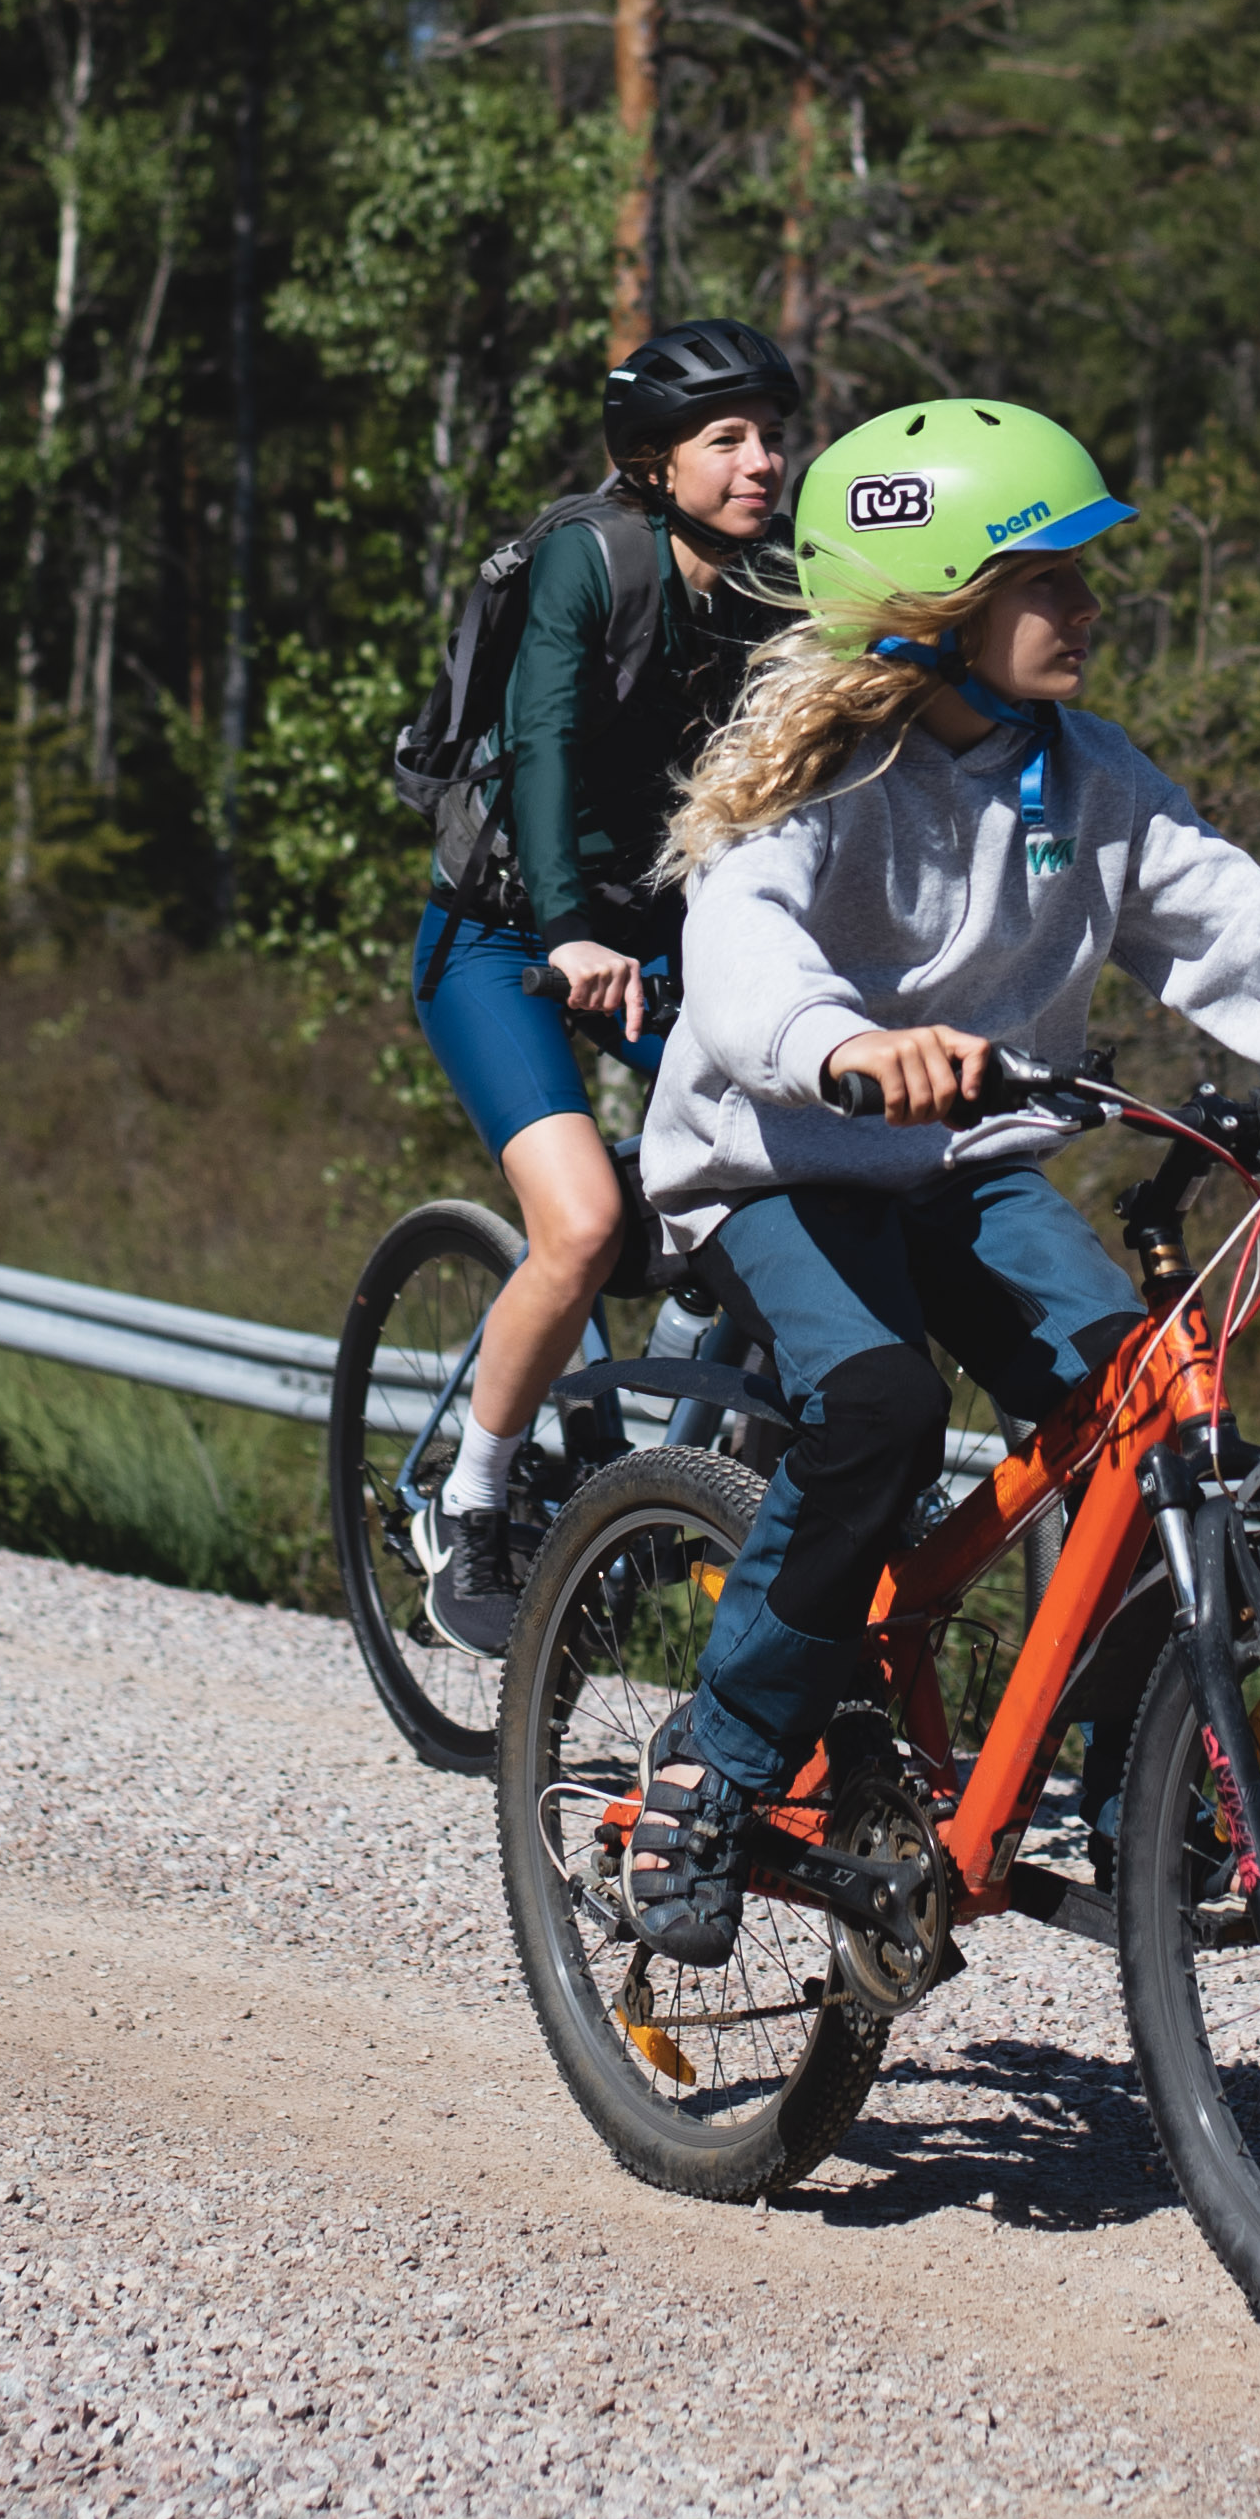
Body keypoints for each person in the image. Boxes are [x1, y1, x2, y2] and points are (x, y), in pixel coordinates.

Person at [621, 392, 1260, 1962]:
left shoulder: (1086, 773)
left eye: (1082, 572)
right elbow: (739, 955)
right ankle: (716, 1766)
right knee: (871, 1409)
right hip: (776, 1161)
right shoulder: (825, 769)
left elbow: (1238, 921)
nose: (1086, 604)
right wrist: (840, 1047)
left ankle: (1143, 1773)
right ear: (934, 603)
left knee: (1141, 1415)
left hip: (969, 1166)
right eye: (1045, 577)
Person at [411, 315, 799, 1651]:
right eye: (728, 438)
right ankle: (467, 1504)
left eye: (770, 434)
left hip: (653, 944)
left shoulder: (762, 588)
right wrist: (571, 932)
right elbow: (546, 746)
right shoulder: (591, 555)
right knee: (574, 1225)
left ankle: (705, 1510)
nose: (763, 460)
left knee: (805, 1169)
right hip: (509, 941)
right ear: (648, 460)